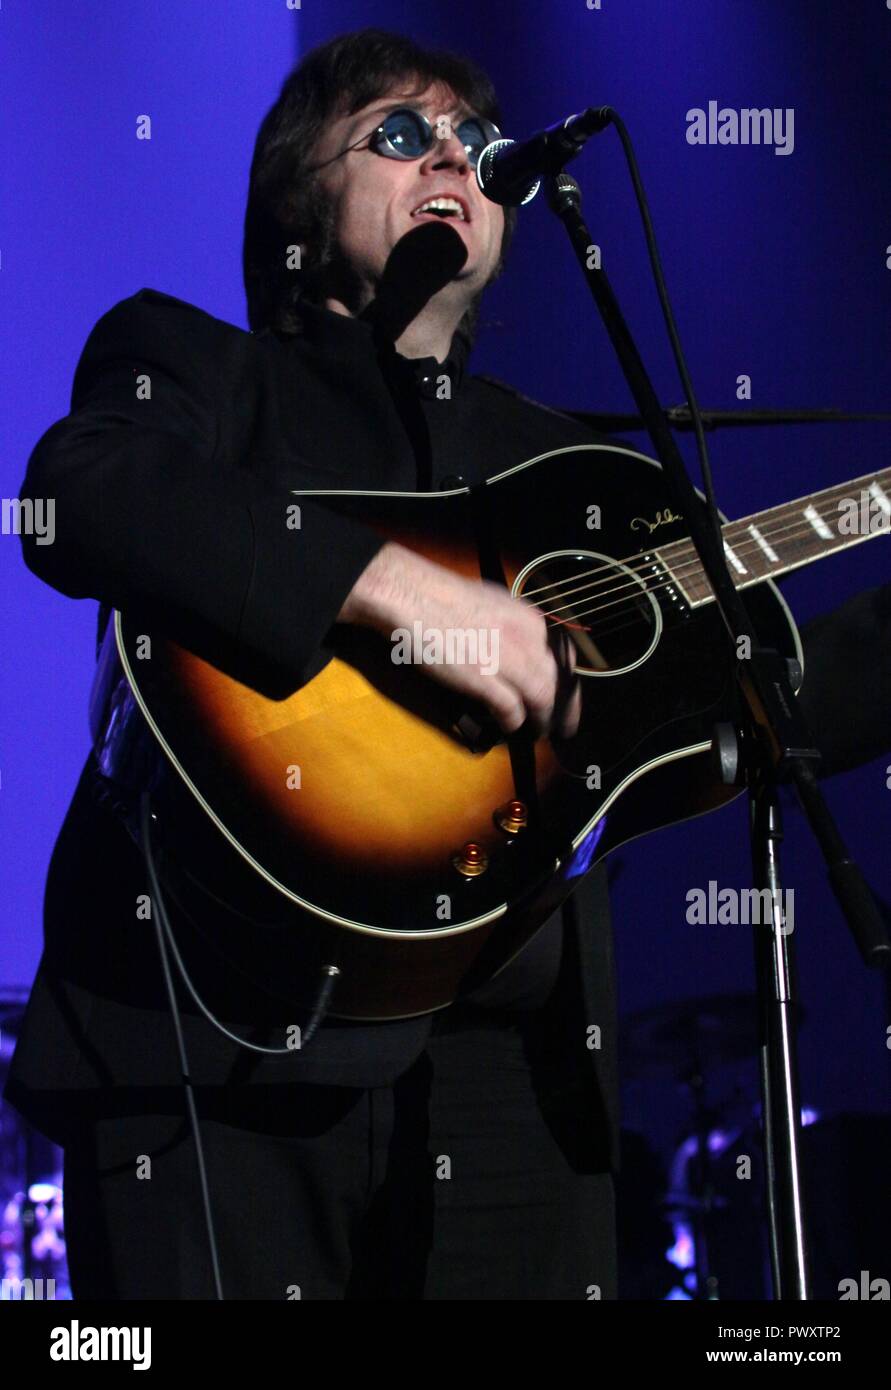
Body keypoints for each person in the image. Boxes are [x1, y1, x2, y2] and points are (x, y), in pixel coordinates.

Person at [5, 28, 890, 1301]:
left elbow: (775, 699)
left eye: (479, 146)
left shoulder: (577, 475)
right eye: (401, 134)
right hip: (216, 1053)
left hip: (512, 1084)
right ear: (299, 199)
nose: (458, 162)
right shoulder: (201, 369)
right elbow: (82, 495)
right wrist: (403, 595)